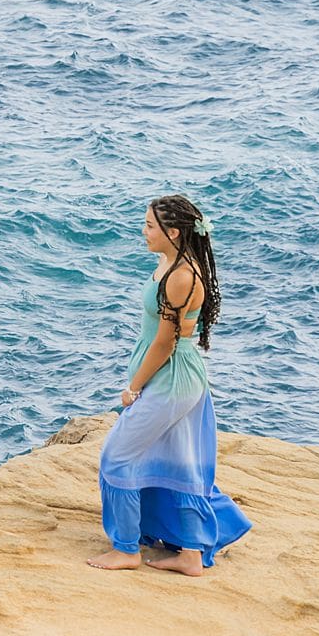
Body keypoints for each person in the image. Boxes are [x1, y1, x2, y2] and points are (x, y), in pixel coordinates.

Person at [86, 194, 251, 575]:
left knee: (116, 457)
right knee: (179, 463)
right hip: (172, 375)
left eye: (149, 226)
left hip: (171, 380)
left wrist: (134, 387)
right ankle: (190, 554)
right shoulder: (169, 263)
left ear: (173, 232)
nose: (143, 231)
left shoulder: (181, 276)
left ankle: (126, 549)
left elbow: (165, 342)